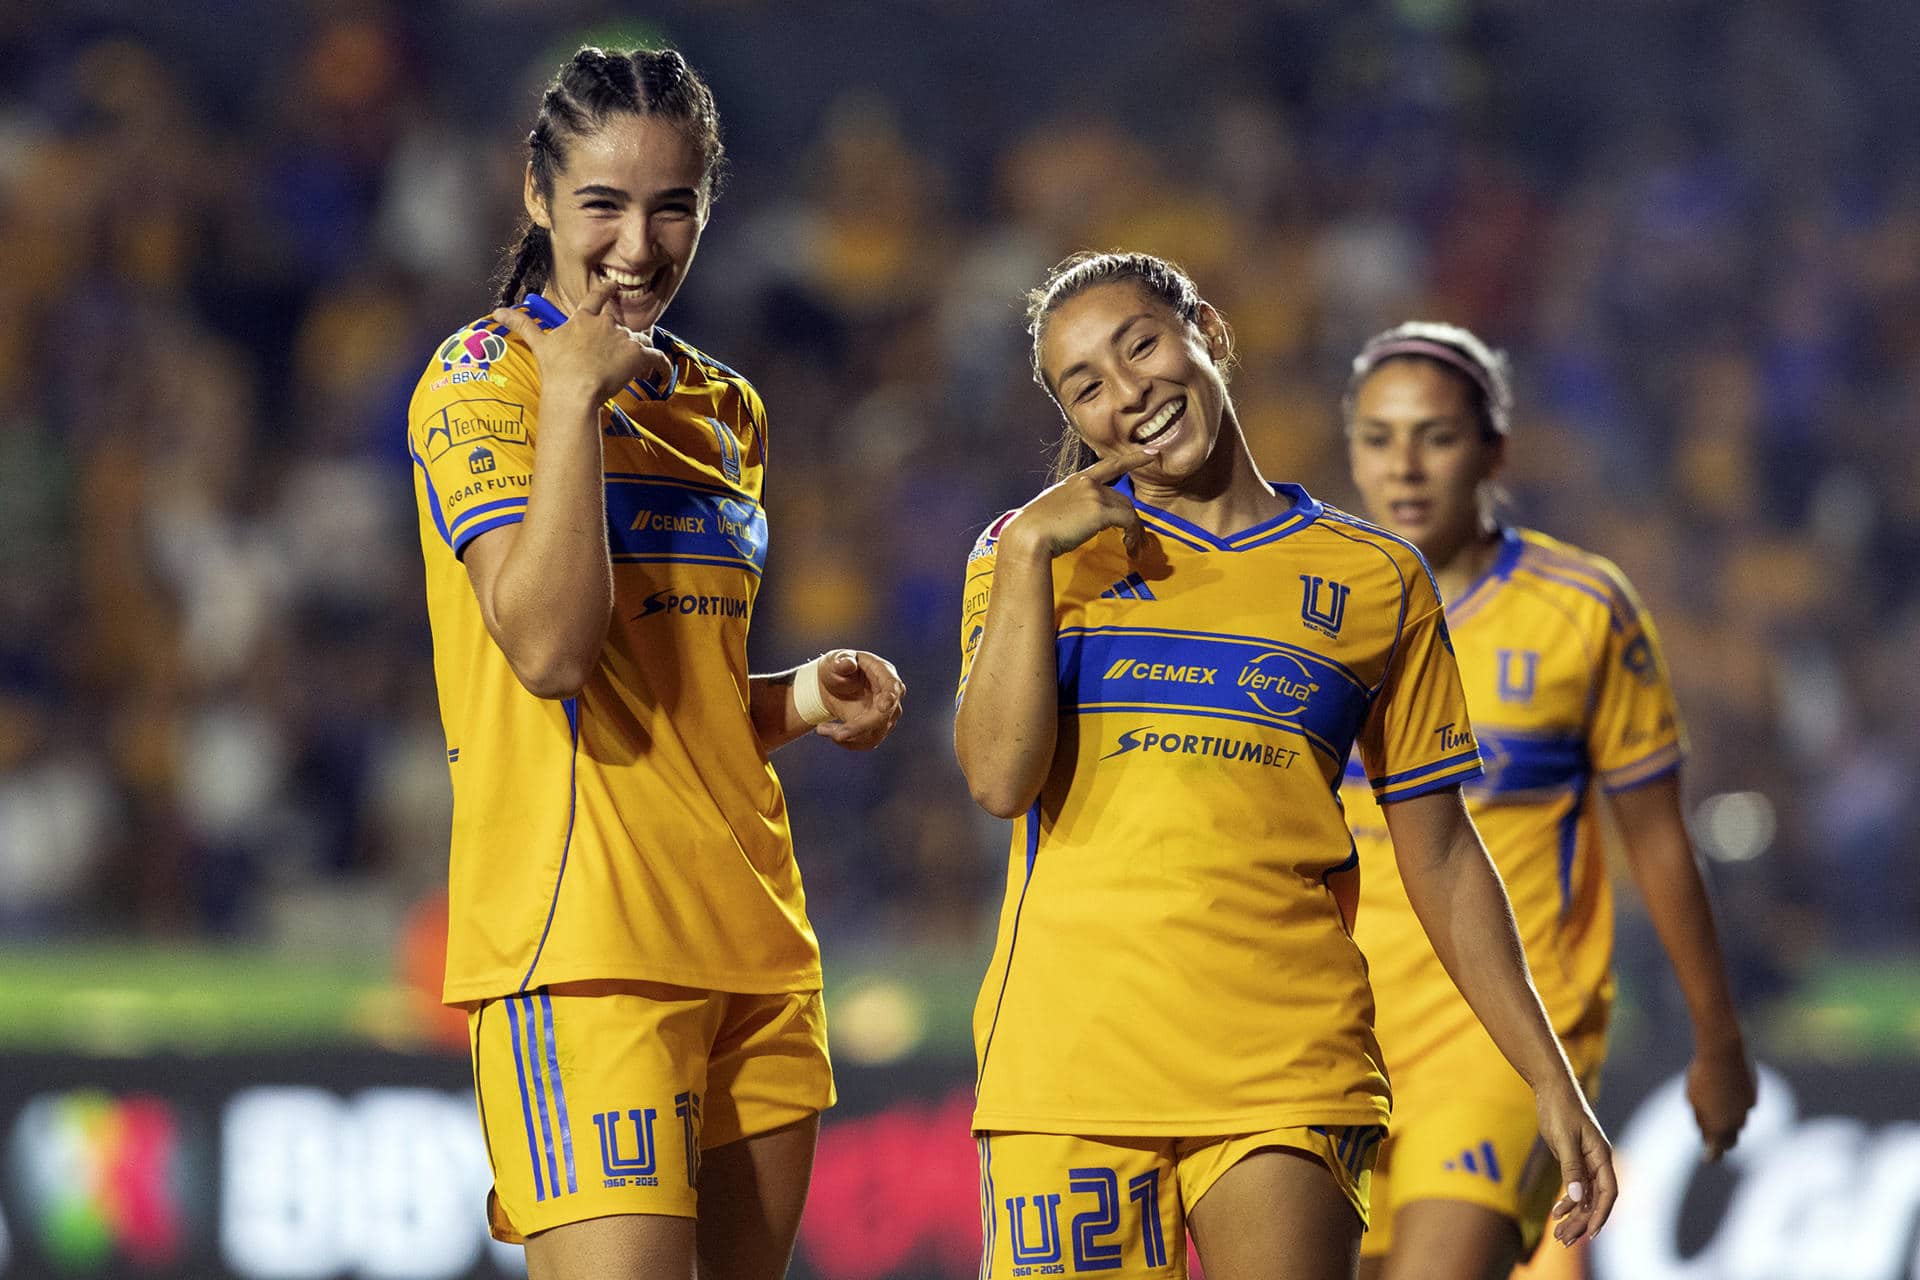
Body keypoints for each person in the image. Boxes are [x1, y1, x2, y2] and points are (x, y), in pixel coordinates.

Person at [952, 252, 1615, 1280]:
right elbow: (998, 780)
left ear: (1207, 332)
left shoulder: (1376, 578)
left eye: (1140, 344)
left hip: (1288, 1062)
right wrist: (1035, 554)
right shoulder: (1025, 553)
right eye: (1086, 384)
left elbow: (1440, 856)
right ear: (1074, 420)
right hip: (1067, 1064)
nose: (1128, 393)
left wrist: (1548, 1076)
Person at [404, 46, 905, 1280]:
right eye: (604, 204)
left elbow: (668, 694)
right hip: (584, 951)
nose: (640, 243)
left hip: (757, 940)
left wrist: (796, 697)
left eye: (675, 204)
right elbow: (550, 647)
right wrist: (571, 401)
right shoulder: (485, 380)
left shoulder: (726, 408)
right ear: (537, 195)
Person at [1338, 322, 1755, 1280]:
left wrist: (1717, 1040)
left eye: (1435, 436)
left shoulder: (1582, 609)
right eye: (1377, 436)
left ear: (1494, 449)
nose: (1403, 465)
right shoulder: (1311, 615)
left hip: (1503, 1041)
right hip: (1326, 1034)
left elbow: (1657, 842)